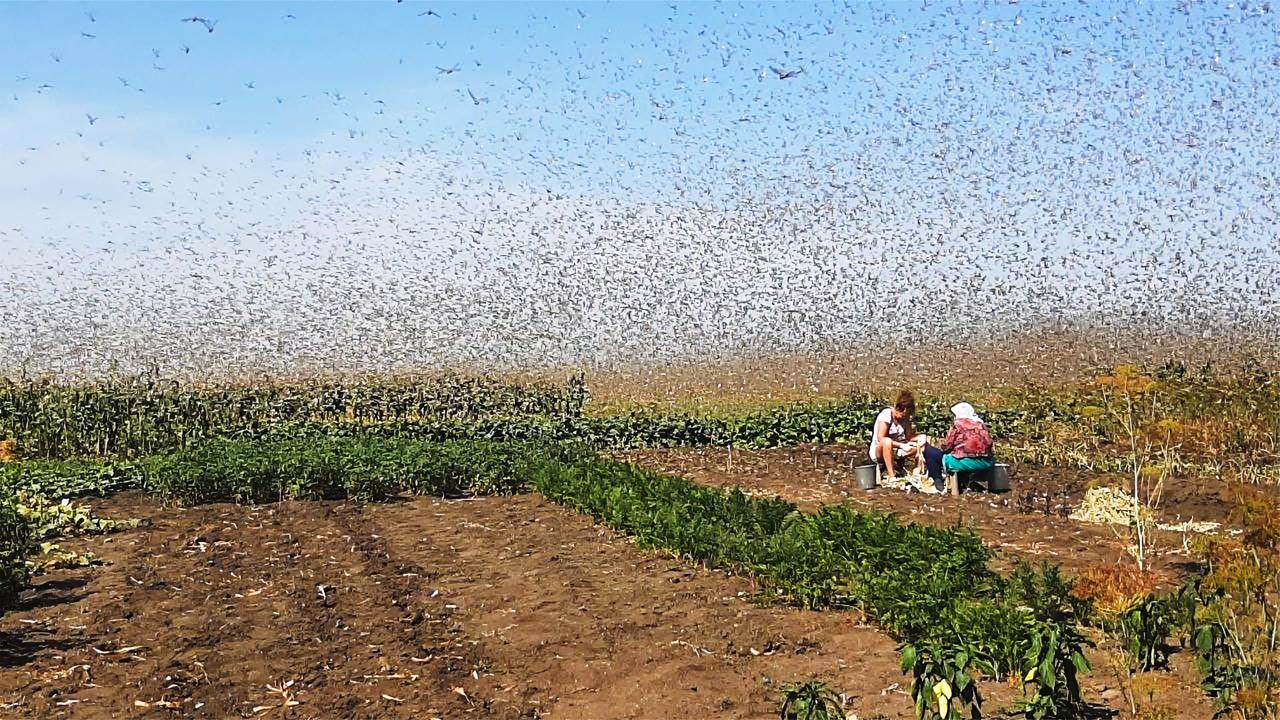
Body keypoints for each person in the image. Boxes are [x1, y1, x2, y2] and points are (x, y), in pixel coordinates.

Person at [923, 402, 996, 492]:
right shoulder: (981, 425)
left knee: (930, 452)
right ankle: (966, 482)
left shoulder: (957, 425)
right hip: (986, 463)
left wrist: (938, 445)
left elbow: (946, 447)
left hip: (963, 464)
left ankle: (938, 482)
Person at [869, 389, 928, 482]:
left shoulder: (905, 418)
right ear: (897, 408)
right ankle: (892, 475)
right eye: (902, 414)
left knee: (919, 446)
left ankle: (917, 472)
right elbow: (881, 438)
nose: (904, 417)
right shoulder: (886, 415)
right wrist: (901, 445)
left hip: (896, 450)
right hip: (880, 450)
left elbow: (910, 437)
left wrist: (920, 437)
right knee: (887, 441)